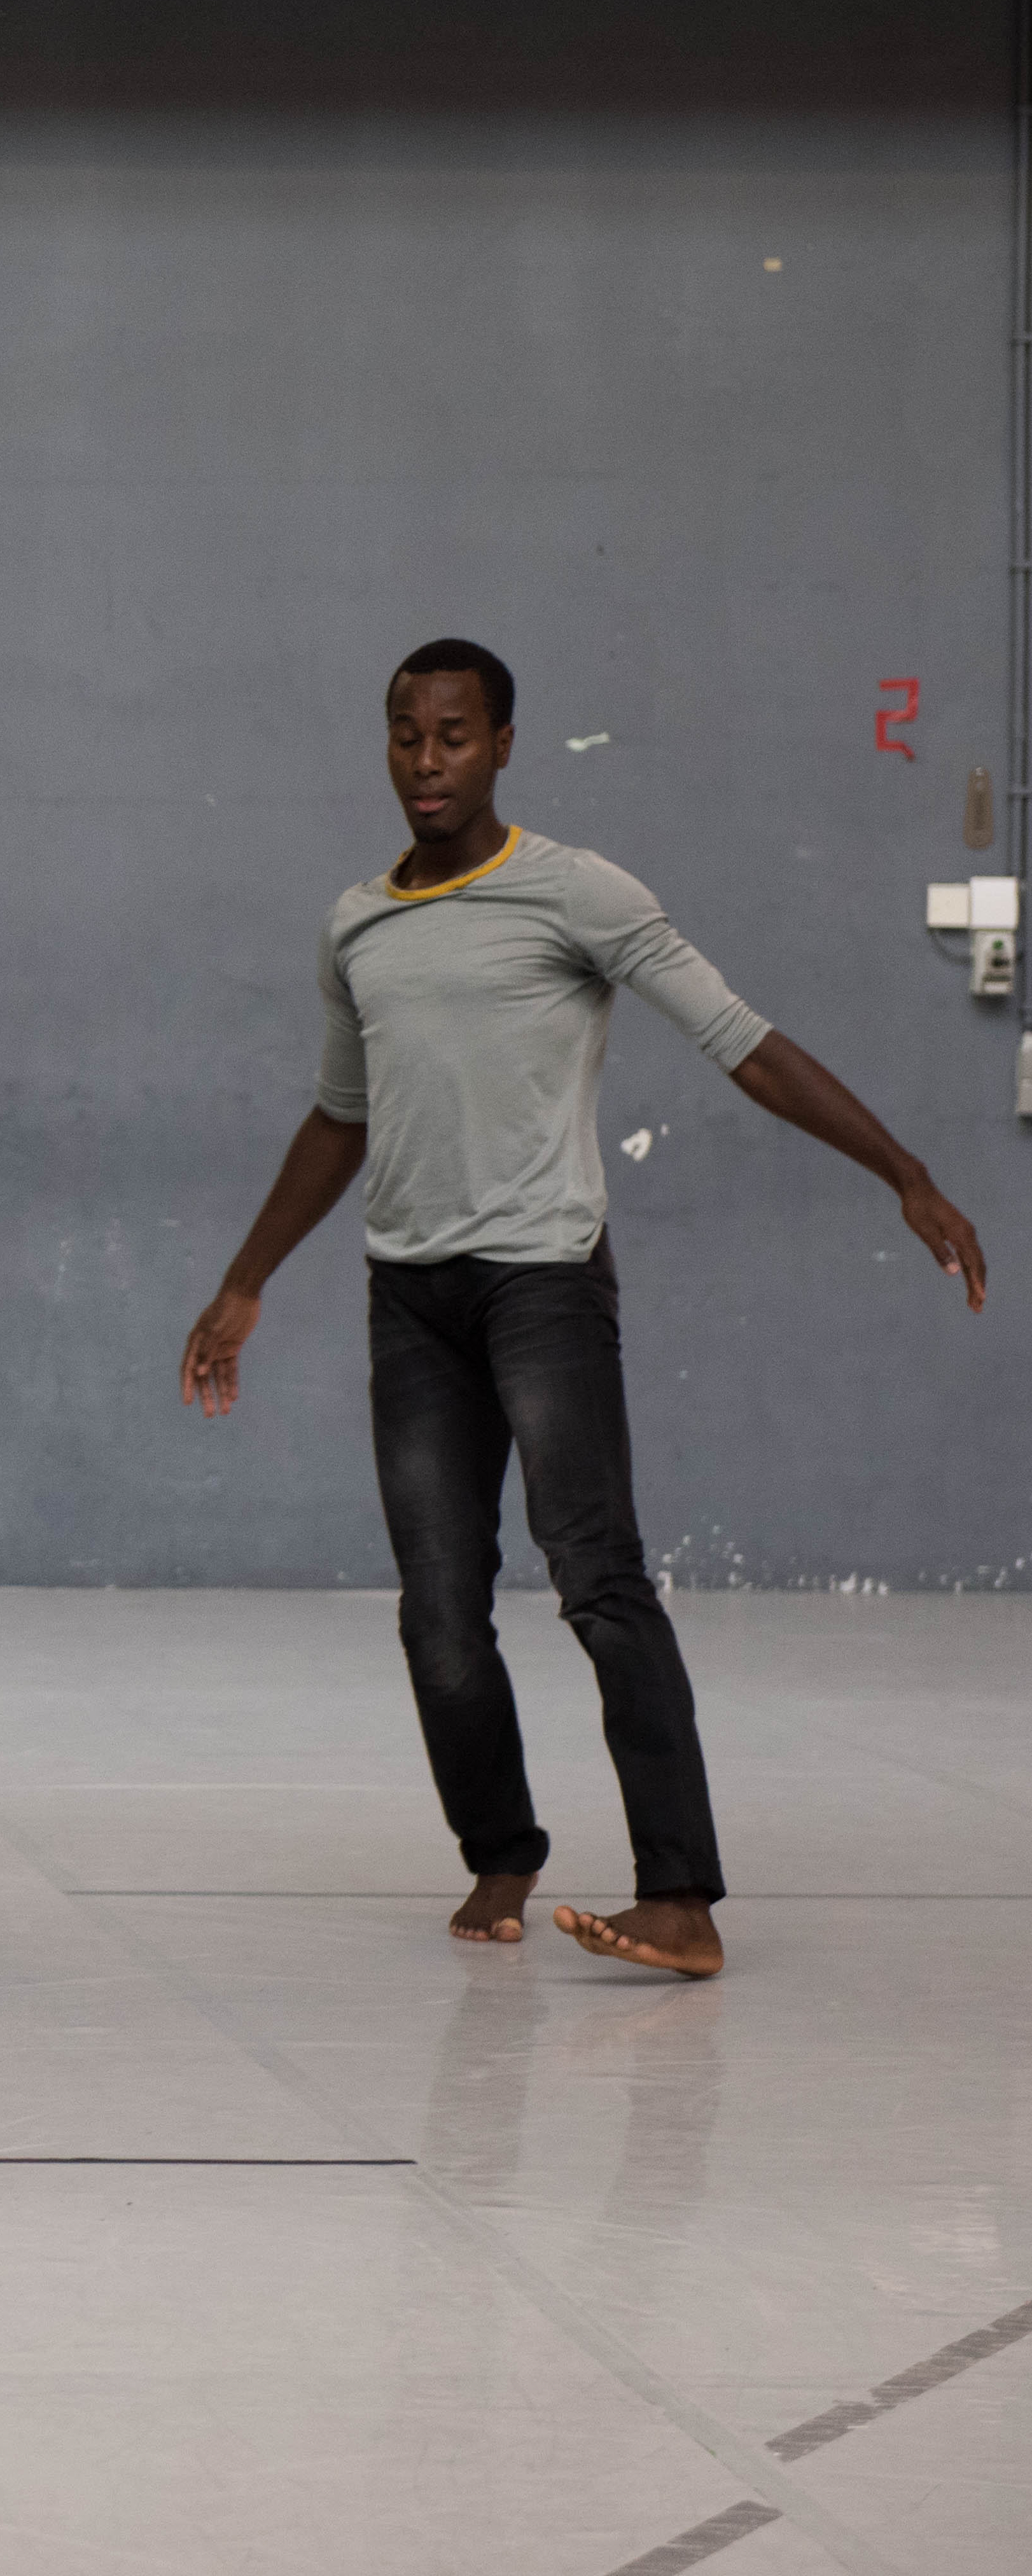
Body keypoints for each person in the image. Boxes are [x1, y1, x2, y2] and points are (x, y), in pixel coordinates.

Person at [179, 638, 988, 1979]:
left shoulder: (574, 892)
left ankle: (682, 1896)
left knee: (597, 1576)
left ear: (502, 744)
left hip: (543, 1283)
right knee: (438, 1609)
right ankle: (502, 1847)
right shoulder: (356, 924)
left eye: (452, 735)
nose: (426, 760)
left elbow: (742, 1042)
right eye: (404, 734)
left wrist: (902, 1171)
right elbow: (338, 1117)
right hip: (410, 1300)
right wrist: (245, 1278)